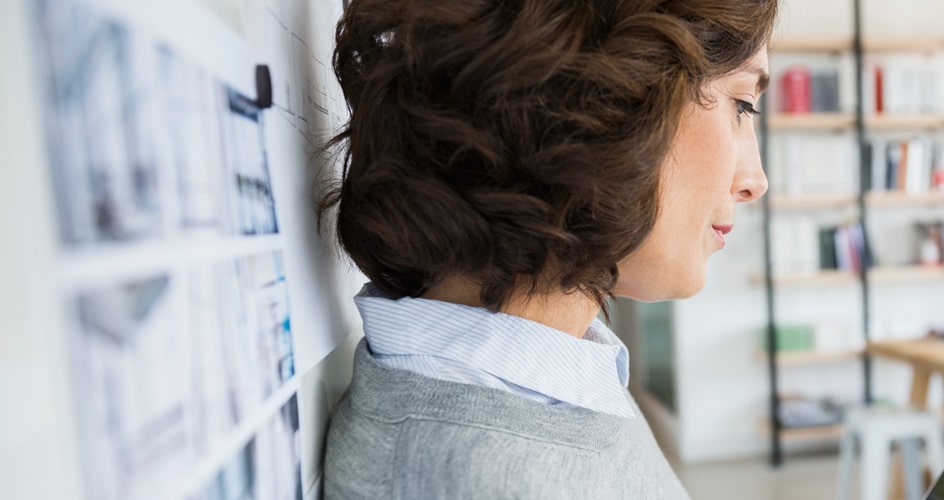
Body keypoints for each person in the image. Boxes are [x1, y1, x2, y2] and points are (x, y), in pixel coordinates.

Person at [319, 0, 776, 498]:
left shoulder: (557, 368)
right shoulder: (479, 475)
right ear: (599, 91)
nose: (755, 181)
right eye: (742, 104)